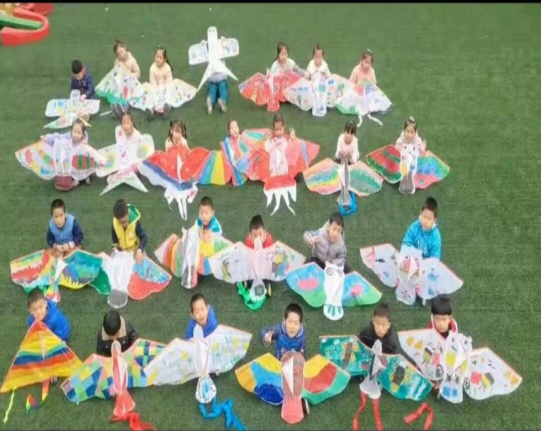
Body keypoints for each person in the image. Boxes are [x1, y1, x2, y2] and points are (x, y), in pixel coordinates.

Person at [40, 118, 92, 190]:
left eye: (79, 133)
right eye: (74, 131)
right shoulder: (69, 136)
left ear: (82, 134)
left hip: (81, 162)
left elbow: (89, 155)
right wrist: (47, 138)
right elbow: (58, 137)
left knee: (85, 163)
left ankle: (84, 177)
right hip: (71, 163)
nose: (76, 135)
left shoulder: (84, 142)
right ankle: (75, 178)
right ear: (71, 131)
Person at [242, 214, 275, 297]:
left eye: (260, 234)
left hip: (265, 266)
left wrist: (261, 246)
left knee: (272, 273)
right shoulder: (249, 241)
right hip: (254, 266)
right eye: (255, 236)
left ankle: (266, 284)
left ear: (265, 232)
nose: (258, 238)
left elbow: (270, 258)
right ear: (250, 235)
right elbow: (249, 258)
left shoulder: (268, 240)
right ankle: (248, 282)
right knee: (248, 273)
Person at [394, 116, 428, 195]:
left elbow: (420, 149)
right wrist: (398, 149)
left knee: (412, 172)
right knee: (404, 172)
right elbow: (396, 150)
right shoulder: (400, 140)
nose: (409, 135)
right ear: (404, 130)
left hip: (413, 161)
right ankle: (403, 184)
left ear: (415, 132)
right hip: (404, 161)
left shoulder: (417, 140)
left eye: (412, 132)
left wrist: (422, 148)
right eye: (407, 131)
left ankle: (411, 184)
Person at [110, 39, 141, 118]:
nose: (121, 55)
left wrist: (131, 76)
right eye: (118, 54)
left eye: (122, 52)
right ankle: (115, 107)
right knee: (116, 96)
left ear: (125, 48)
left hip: (131, 85)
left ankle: (123, 111)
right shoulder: (117, 62)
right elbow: (115, 73)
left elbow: (138, 73)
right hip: (121, 86)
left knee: (127, 99)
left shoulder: (132, 61)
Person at [111, 199, 147, 264]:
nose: (124, 224)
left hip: (135, 250)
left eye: (125, 221)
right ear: (116, 219)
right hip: (122, 251)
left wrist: (140, 249)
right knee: (111, 265)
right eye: (121, 222)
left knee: (143, 266)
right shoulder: (114, 224)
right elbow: (115, 241)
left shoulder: (135, 222)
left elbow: (144, 237)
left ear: (128, 214)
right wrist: (116, 248)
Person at [148, 46, 174, 118]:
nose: (158, 60)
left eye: (160, 58)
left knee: (169, 97)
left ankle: (167, 107)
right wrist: (156, 89)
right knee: (151, 97)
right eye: (157, 57)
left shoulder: (167, 68)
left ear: (165, 59)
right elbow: (152, 82)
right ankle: (151, 110)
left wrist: (164, 88)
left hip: (166, 89)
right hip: (156, 89)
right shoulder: (152, 68)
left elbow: (169, 81)